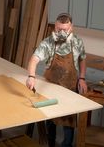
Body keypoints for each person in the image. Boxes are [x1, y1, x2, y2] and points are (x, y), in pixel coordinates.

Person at [26, 13, 87, 147]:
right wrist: (31, 76)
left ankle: (67, 144)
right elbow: (34, 59)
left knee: (68, 121)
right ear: (55, 27)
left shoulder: (77, 42)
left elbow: (82, 59)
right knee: (50, 120)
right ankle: (50, 143)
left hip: (70, 89)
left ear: (72, 27)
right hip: (51, 89)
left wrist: (82, 78)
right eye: (59, 29)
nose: (62, 33)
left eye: (65, 29)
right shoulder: (48, 43)